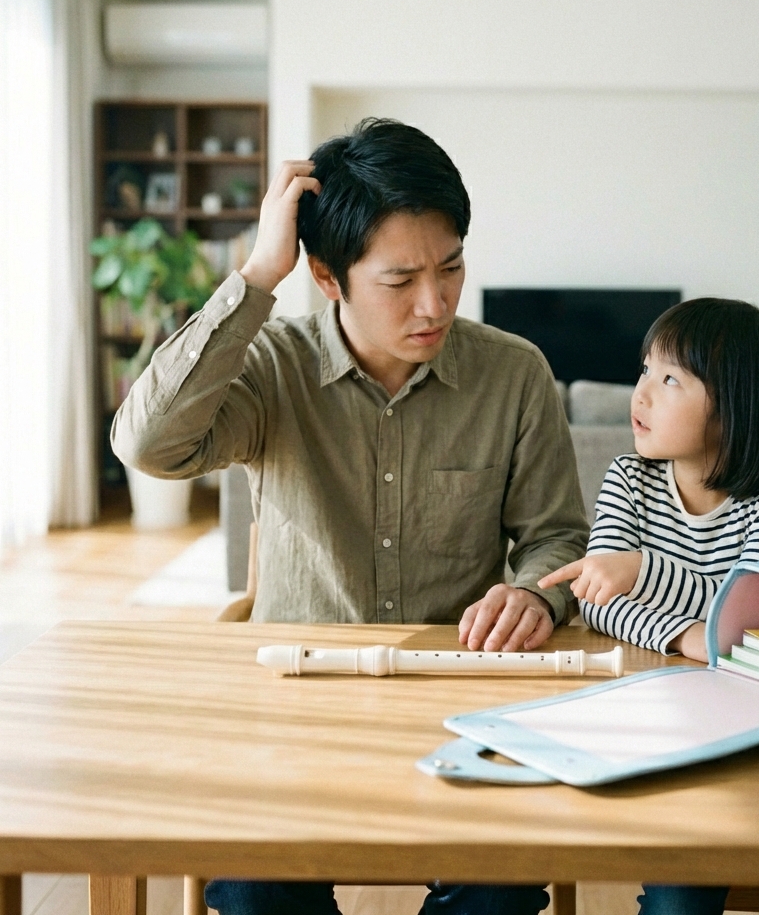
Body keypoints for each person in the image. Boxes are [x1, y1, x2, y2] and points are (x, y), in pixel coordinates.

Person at [112, 117, 588, 915]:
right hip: (300, 703)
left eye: (452, 267)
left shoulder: (515, 373)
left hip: (459, 700)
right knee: (253, 886)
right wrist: (258, 277)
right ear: (328, 277)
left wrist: (537, 595)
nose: (434, 302)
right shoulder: (270, 365)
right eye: (399, 281)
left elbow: (557, 538)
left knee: (503, 884)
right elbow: (150, 445)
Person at [539, 297, 759, 915]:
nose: (640, 394)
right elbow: (599, 605)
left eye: (669, 380)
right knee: (676, 896)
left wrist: (644, 571)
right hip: (668, 724)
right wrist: (690, 636)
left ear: (739, 403)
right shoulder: (627, 479)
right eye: (643, 371)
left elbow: (753, 615)